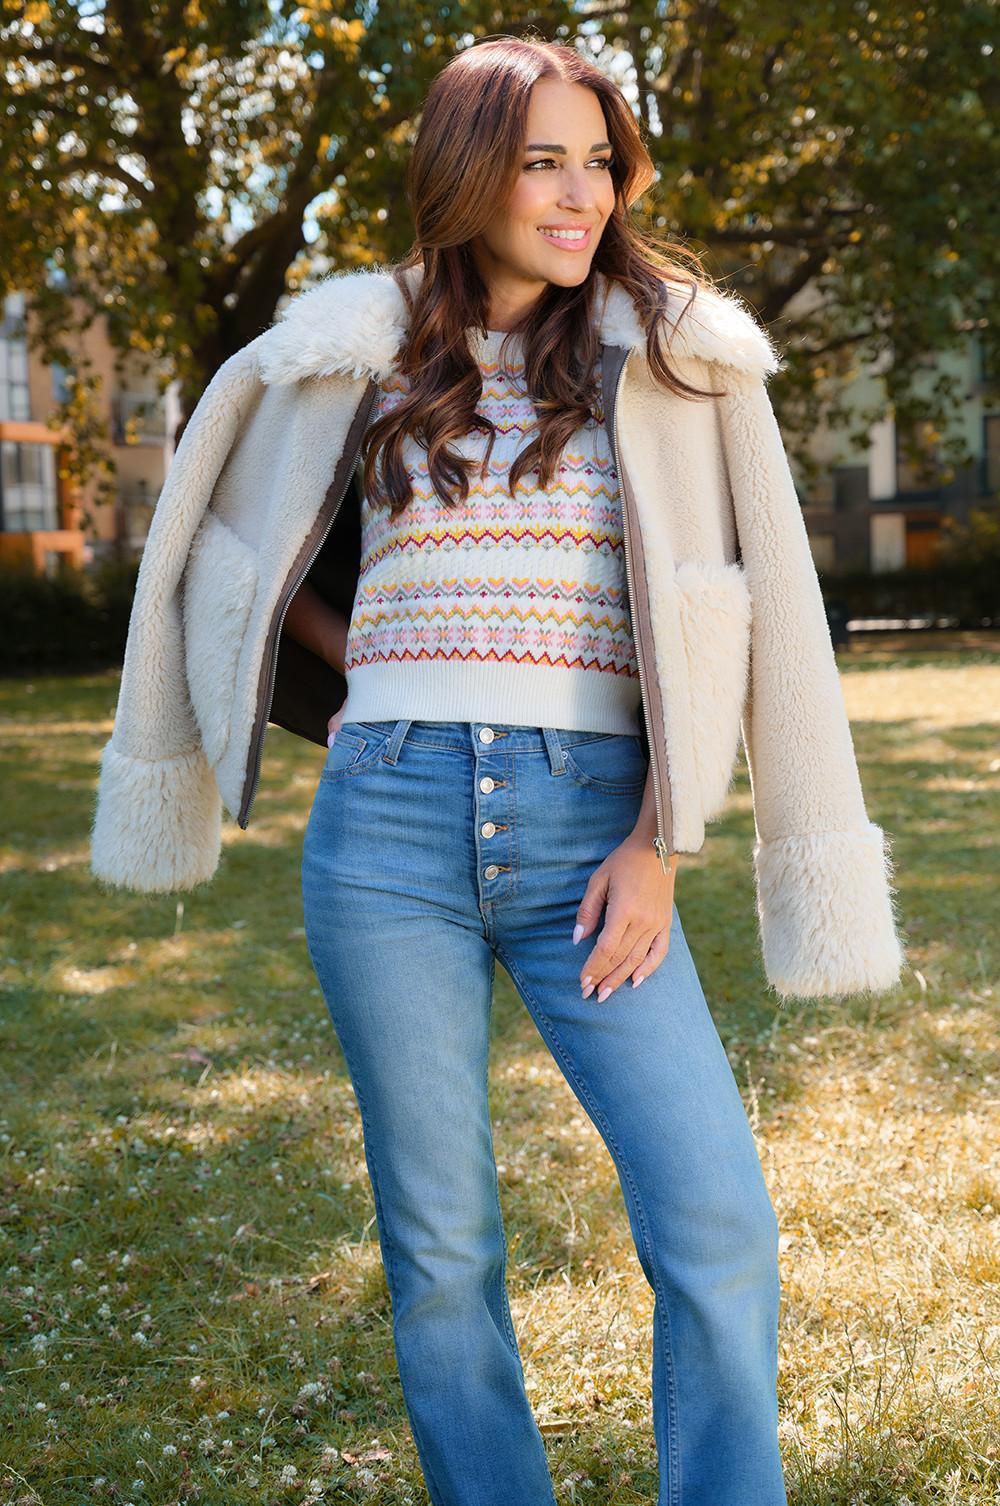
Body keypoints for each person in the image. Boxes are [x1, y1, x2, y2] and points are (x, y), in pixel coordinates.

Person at [90, 34, 905, 1506]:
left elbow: (741, 598)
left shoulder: (675, 357)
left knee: (715, 1216)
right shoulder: (354, 350)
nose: (582, 191)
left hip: (591, 825)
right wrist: (356, 684)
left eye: (600, 160)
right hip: (383, 828)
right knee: (442, 1243)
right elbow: (232, 542)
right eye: (544, 160)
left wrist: (661, 837)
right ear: (467, 170)